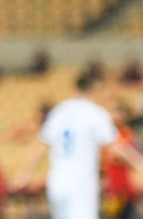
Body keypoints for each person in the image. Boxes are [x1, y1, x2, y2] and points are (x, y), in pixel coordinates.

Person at [13, 76, 143, 219]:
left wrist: (26, 172)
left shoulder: (59, 111)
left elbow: (41, 143)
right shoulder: (95, 113)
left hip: (57, 182)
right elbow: (115, 146)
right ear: (96, 90)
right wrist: (138, 162)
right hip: (81, 184)